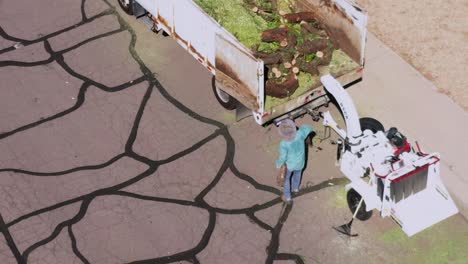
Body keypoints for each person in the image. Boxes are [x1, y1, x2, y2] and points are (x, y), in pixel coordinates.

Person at [276, 119, 313, 202]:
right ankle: (296, 188)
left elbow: (283, 157)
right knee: (297, 175)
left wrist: (278, 164)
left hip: (289, 165)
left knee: (286, 180)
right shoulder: (300, 134)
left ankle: (287, 196)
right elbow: (309, 128)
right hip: (300, 163)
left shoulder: (283, 143)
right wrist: (302, 128)